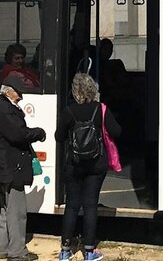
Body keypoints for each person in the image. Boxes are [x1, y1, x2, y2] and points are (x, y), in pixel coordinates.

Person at [54, 73, 121, 261]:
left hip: (74, 164)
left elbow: (59, 137)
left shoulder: (69, 111)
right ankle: (90, 251)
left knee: (72, 206)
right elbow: (117, 131)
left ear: (75, 91)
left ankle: (66, 250)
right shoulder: (101, 109)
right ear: (93, 88)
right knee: (91, 205)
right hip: (96, 163)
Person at [0, 73, 47, 261]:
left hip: (2, 168)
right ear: (9, 91)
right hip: (10, 168)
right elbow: (18, 134)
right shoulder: (4, 109)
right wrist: (39, 133)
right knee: (17, 213)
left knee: (5, 210)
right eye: (18, 92)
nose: (21, 96)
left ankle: (4, 249)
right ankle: (17, 252)